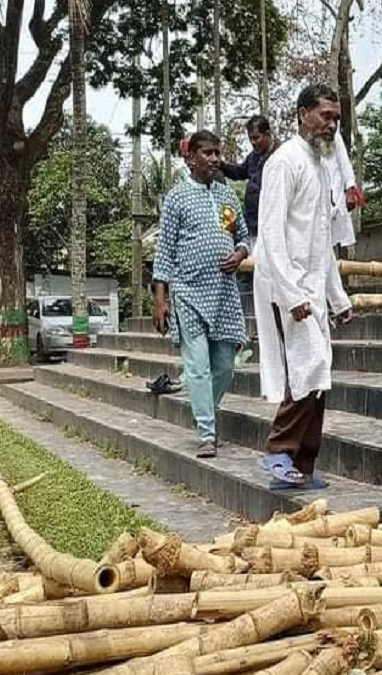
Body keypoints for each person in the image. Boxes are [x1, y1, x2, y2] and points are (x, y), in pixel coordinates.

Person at [254, 84, 353, 488]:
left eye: (336, 119)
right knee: (307, 366)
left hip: (312, 285)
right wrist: (291, 293)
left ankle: (303, 466)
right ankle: (279, 450)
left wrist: (338, 298)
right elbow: (271, 233)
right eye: (325, 116)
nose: (331, 125)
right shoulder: (284, 162)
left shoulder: (322, 166)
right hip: (286, 284)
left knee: (319, 371)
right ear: (302, 114)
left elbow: (322, 242)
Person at [152, 130, 250, 459]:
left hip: (223, 294)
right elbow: (164, 252)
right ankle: (207, 433)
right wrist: (161, 299)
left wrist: (239, 253)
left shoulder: (228, 196)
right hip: (188, 292)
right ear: (191, 158)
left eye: (217, 153)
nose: (214, 158)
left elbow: (243, 236)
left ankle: (204, 409)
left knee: (225, 366)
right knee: (197, 366)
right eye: (207, 153)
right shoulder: (176, 198)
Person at [220, 116, 274, 246]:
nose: (253, 143)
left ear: (267, 134)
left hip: (272, 225)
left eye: (256, 138)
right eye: (250, 139)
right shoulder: (253, 157)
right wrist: (220, 165)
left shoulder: (281, 155)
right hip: (253, 225)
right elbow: (239, 172)